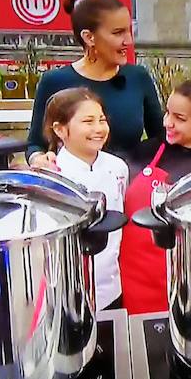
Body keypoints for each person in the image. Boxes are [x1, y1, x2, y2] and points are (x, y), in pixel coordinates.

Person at [120, 80, 191, 314]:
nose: (167, 123)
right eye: (167, 113)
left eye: (179, 118)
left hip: (188, 284)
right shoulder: (146, 152)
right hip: (132, 281)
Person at [27, 0, 164, 169]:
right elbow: (35, 144)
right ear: (89, 37)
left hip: (128, 183)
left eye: (129, 31)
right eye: (118, 33)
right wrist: (38, 158)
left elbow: (161, 138)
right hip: (74, 188)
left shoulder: (138, 77)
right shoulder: (54, 81)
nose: (128, 41)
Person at [43, 87, 128, 311]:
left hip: (111, 289)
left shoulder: (118, 167)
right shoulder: (52, 176)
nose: (99, 129)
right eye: (88, 121)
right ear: (60, 129)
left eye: (102, 120)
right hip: (65, 294)